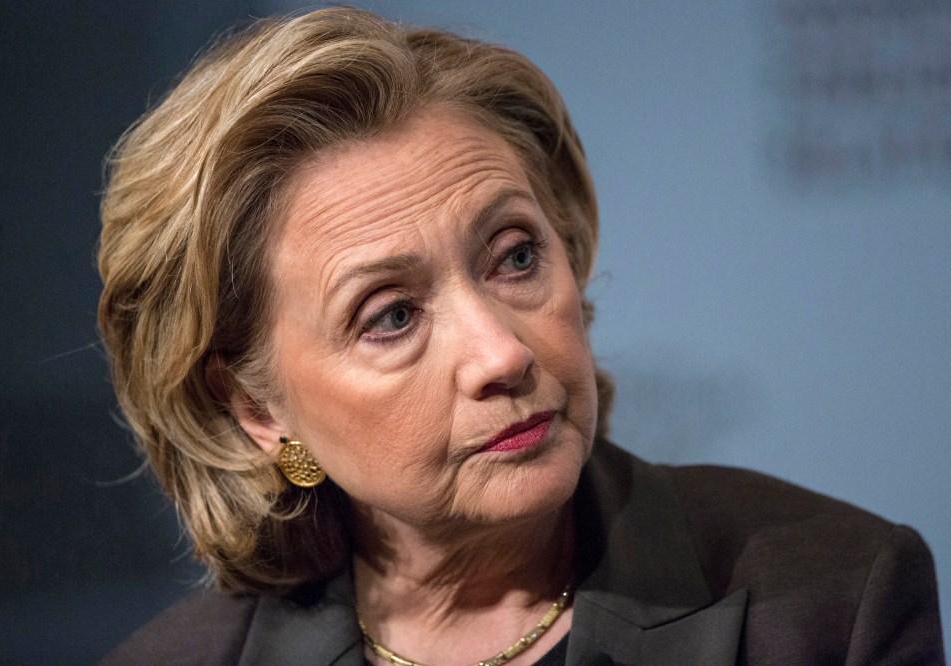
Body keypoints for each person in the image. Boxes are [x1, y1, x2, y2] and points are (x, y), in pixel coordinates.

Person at [97, 8, 944, 665]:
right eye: (391, 315)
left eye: (514, 256)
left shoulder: (829, 601)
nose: (503, 354)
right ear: (254, 407)